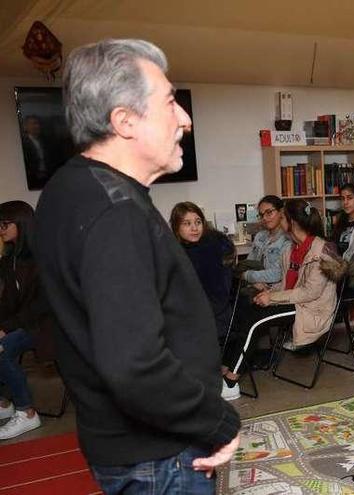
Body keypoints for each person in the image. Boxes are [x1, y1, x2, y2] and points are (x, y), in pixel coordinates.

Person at [34, 39, 240, 493]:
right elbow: (135, 366)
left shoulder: (69, 187)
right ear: (124, 121)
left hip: (124, 442)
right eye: (170, 103)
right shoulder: (115, 213)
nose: (185, 119)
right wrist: (218, 422)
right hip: (158, 455)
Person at [221, 199, 344, 396]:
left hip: (312, 308)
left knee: (254, 322)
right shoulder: (290, 249)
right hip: (296, 301)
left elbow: (309, 293)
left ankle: (230, 383)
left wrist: (273, 298)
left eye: (283, 217)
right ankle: (227, 367)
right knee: (247, 311)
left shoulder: (322, 250)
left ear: (291, 222)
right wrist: (269, 293)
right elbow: (286, 284)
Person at [0, 201, 49, 439]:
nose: (1, 229)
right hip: (23, 322)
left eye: (4, 224)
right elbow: (8, 303)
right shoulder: (8, 259)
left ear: (21, 222)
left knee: (1, 349)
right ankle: (3, 404)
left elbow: (43, 305)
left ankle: (27, 412)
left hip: (46, 325)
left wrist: (5, 329)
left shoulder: (44, 255)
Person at [170, 202, 235, 343]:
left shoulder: (215, 247)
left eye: (198, 222)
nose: (194, 228)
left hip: (214, 314)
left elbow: (219, 294)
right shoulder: (173, 251)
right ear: (177, 227)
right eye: (187, 223)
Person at [239, 195, 291, 291]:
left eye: (269, 212)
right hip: (256, 286)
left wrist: (246, 276)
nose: (265, 218)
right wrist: (254, 282)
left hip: (276, 289)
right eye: (262, 215)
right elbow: (248, 264)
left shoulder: (288, 239)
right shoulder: (260, 236)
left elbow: (278, 273)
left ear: (281, 212)